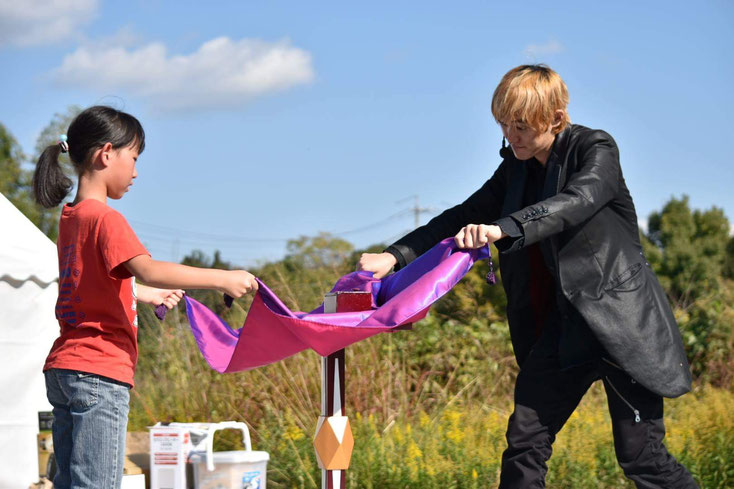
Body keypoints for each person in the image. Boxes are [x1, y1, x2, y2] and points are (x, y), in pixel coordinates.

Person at [358, 65, 698, 488]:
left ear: (555, 118)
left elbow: (576, 200)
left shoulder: (595, 148)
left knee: (642, 459)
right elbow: (460, 215)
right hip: (563, 330)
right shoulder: (515, 169)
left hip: (620, 326)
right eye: (503, 124)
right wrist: (394, 256)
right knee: (524, 442)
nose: (511, 135)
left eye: (521, 125)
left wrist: (504, 228)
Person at [33, 106, 259, 489]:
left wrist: (145, 294)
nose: (136, 173)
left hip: (66, 369)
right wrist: (223, 279)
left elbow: (92, 285)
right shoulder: (106, 219)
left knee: (69, 483)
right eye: (134, 158)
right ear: (107, 154)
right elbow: (148, 268)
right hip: (99, 372)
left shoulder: (72, 218)